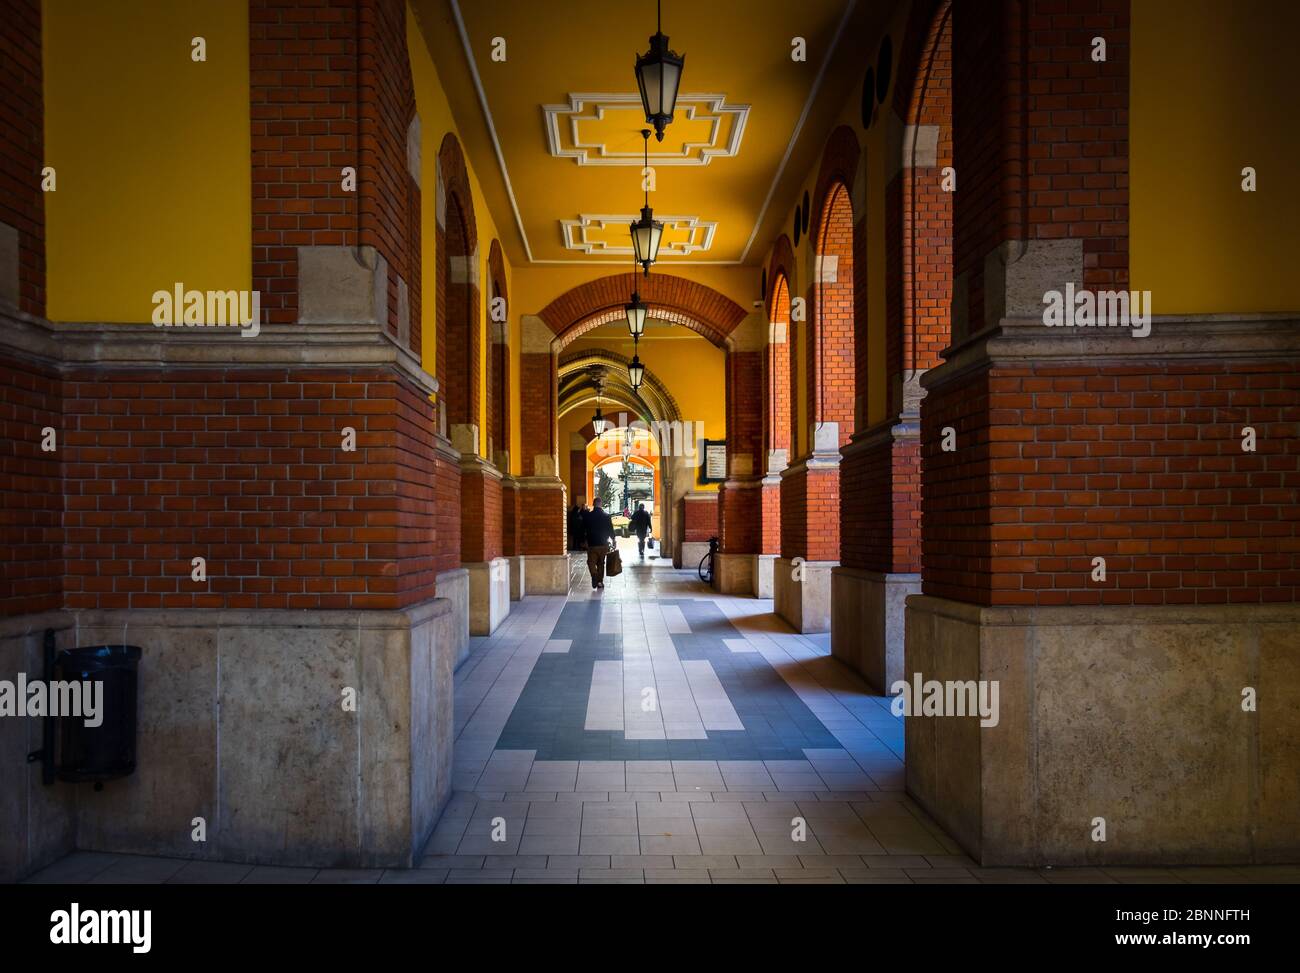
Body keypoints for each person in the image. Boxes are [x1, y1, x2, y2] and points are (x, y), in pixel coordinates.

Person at [582, 498, 614, 590]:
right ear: (601, 504)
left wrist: (583, 540)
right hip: (604, 544)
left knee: (590, 562)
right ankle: (600, 582)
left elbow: (583, 528)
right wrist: (614, 539)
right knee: (601, 563)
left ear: (593, 504)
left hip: (592, 543)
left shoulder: (588, 516)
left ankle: (594, 575)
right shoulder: (607, 516)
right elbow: (610, 529)